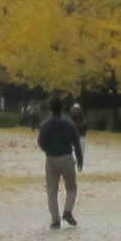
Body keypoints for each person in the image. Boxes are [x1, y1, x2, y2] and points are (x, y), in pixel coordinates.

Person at [36, 96, 84, 228]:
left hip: (51, 158)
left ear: (50, 108)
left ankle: (55, 219)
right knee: (71, 187)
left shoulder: (45, 125)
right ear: (62, 107)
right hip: (66, 156)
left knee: (52, 189)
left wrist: (48, 150)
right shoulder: (69, 124)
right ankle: (67, 211)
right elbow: (76, 142)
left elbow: (40, 142)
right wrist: (80, 158)